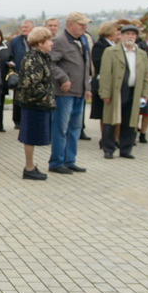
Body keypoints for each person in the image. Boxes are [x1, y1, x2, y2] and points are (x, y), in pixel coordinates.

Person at [47, 12, 92, 175]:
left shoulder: (83, 40)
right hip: (64, 94)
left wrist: (87, 87)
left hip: (79, 92)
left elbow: (86, 65)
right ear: (71, 24)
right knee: (61, 128)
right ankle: (57, 162)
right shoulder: (59, 41)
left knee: (75, 128)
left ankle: (69, 160)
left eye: (85, 24)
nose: (85, 27)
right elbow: (50, 63)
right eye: (81, 24)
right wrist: (63, 78)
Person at [99, 24, 148, 158]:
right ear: (121, 36)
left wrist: (145, 94)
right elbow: (105, 74)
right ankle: (108, 149)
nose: (130, 37)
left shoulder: (142, 54)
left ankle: (126, 149)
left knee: (130, 121)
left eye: (133, 34)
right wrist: (105, 93)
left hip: (134, 90)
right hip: (116, 91)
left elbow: (146, 76)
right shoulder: (111, 52)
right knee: (111, 120)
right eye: (127, 34)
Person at [15, 27, 56, 180]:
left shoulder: (41, 56)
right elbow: (31, 82)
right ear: (40, 43)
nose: (52, 43)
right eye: (49, 40)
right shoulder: (33, 58)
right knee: (30, 137)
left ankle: (30, 166)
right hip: (33, 105)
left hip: (38, 104)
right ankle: (29, 168)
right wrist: (43, 95)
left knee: (32, 137)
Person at [89, 21, 119, 147]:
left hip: (116, 83)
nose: (118, 34)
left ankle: (115, 138)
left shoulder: (116, 45)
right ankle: (105, 139)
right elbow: (99, 63)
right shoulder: (100, 45)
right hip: (103, 82)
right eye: (116, 31)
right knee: (103, 112)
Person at [7, 20, 33, 129]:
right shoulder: (15, 41)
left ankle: (29, 120)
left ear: (32, 28)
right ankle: (17, 121)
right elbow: (9, 56)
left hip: (32, 74)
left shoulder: (34, 40)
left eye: (27, 27)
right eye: (23, 27)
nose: (24, 29)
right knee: (18, 98)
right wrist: (12, 66)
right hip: (19, 73)